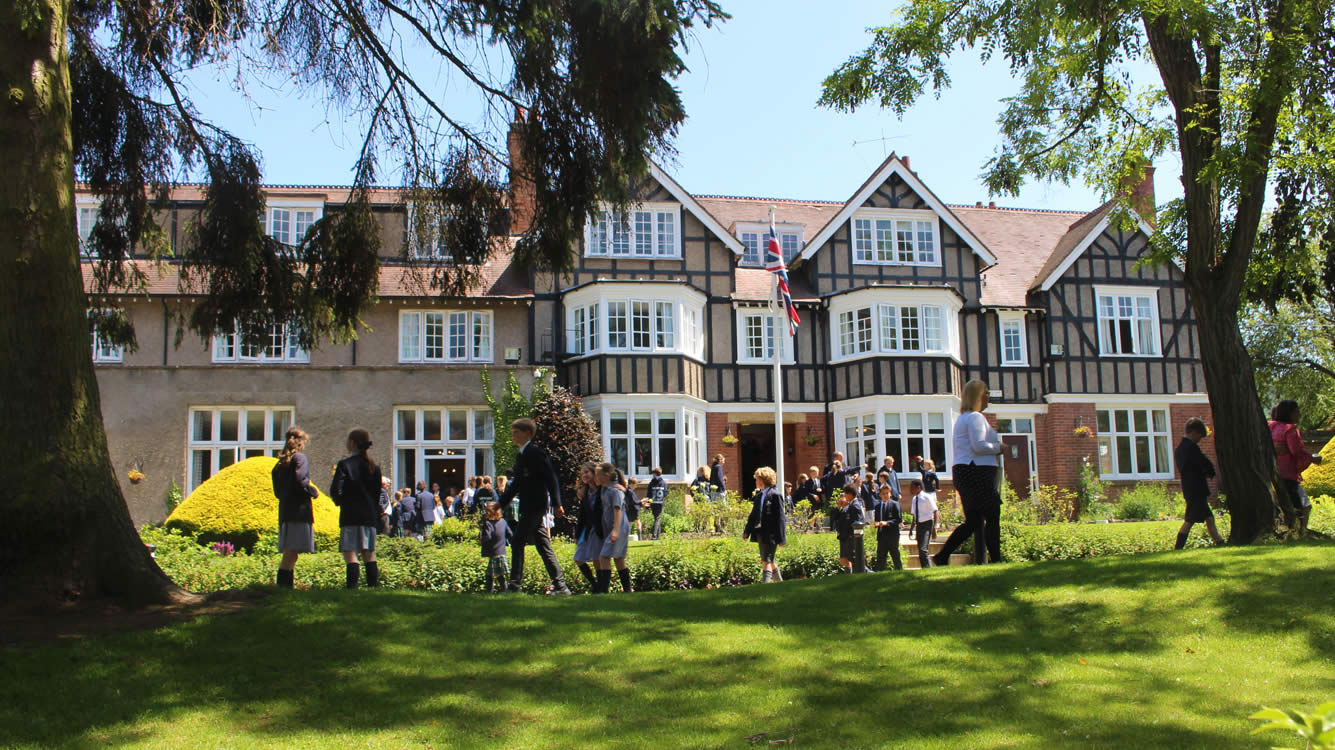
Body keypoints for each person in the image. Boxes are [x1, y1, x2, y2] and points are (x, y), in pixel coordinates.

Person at [934, 380, 1005, 565]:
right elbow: (979, 446)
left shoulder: (962, 418)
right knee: (992, 515)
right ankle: (996, 560)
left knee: (973, 521)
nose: (988, 397)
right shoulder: (976, 417)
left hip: (964, 471)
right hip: (977, 472)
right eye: (986, 393)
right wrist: (999, 447)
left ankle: (943, 555)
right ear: (978, 396)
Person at [499, 418, 572, 594]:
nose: (513, 435)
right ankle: (561, 586)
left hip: (536, 505)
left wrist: (556, 503)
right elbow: (517, 483)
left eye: (517, 432)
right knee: (543, 545)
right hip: (530, 505)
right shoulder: (522, 455)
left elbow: (550, 477)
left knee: (517, 541)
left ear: (528, 433)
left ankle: (515, 585)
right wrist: (500, 504)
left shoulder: (536, 453)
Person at [330, 428, 384, 588]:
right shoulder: (374, 467)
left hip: (350, 514)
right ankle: (373, 586)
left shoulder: (344, 464)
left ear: (352, 443)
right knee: (369, 553)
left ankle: (352, 587)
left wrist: (341, 502)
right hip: (369, 515)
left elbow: (336, 490)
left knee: (350, 551)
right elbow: (377, 493)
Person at [271, 425, 318, 588]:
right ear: (300, 442)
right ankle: (284, 588)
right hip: (299, 511)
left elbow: (277, 491)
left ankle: (285, 588)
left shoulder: (279, 465)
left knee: (290, 553)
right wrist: (312, 491)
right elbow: (301, 480)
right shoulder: (300, 459)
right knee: (291, 553)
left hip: (285, 511)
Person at [1270, 400, 1322, 534]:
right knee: (1304, 505)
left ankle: (1286, 530)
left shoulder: (1270, 426)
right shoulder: (1290, 429)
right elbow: (1296, 451)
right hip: (1288, 474)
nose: (1299, 414)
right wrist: (1312, 458)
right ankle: (1301, 532)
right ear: (1290, 413)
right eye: (1297, 411)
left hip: (1272, 472)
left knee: (1281, 505)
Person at [1176, 418, 1225, 548]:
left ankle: (1219, 541)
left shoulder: (1180, 449)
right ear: (1193, 432)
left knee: (1209, 518)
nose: (1199, 439)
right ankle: (1178, 546)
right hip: (1197, 488)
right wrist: (1210, 472)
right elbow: (1203, 462)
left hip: (1189, 488)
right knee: (1190, 520)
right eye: (1199, 436)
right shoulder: (1191, 447)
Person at [743, 467, 787, 583]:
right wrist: (747, 531)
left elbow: (781, 518)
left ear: (764, 480)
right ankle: (780, 583)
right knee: (767, 560)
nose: (756, 482)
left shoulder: (775, 495)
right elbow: (753, 516)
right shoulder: (758, 497)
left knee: (766, 560)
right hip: (760, 533)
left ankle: (765, 585)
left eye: (758, 479)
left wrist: (782, 538)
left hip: (771, 534)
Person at [597, 464, 634, 593]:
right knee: (618, 559)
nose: (596, 477)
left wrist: (615, 530)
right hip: (613, 527)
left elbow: (617, 510)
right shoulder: (605, 489)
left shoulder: (615, 491)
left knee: (604, 556)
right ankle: (628, 589)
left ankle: (603, 590)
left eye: (598, 474)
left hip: (619, 527)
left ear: (606, 475)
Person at [571, 462, 603, 591]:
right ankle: (595, 584)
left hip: (599, 528)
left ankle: (601, 586)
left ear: (594, 473)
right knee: (578, 558)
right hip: (587, 528)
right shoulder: (585, 493)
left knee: (597, 558)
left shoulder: (602, 490)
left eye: (587, 472)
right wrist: (577, 534)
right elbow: (582, 515)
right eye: (582, 473)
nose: (584, 475)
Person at [869, 483, 904, 571]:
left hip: (892, 534)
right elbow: (877, 520)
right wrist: (875, 524)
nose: (885, 495)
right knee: (880, 556)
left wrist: (887, 523)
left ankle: (899, 571)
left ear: (890, 494)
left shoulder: (894, 504)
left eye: (887, 493)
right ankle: (880, 573)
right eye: (883, 493)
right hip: (881, 535)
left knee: (895, 554)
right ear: (880, 495)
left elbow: (898, 519)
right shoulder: (877, 506)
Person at [479, 501, 512, 593]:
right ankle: (498, 590)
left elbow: (487, 537)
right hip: (502, 551)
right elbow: (510, 534)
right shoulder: (503, 521)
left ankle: (499, 590)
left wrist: (481, 539)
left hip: (493, 552)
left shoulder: (488, 523)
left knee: (494, 575)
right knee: (495, 574)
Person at [832, 485, 865, 574]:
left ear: (850, 494)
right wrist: (839, 507)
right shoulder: (849, 506)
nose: (844, 496)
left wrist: (851, 535)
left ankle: (859, 573)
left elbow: (858, 522)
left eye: (845, 493)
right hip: (844, 537)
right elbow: (835, 517)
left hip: (850, 537)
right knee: (846, 559)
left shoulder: (855, 505)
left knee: (853, 559)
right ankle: (850, 575)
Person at [908, 479, 938, 567]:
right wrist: (911, 529)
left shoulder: (926, 497)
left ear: (918, 487)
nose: (910, 489)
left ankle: (928, 568)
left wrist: (935, 527)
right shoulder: (914, 499)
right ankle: (924, 568)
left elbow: (935, 511)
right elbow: (914, 515)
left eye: (912, 487)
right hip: (919, 525)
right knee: (920, 548)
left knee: (923, 548)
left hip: (927, 524)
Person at [647, 467, 668, 540]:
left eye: (653, 473)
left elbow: (649, 493)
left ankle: (655, 535)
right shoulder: (663, 483)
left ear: (655, 474)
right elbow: (665, 493)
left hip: (653, 503)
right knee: (657, 518)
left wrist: (648, 503)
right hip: (660, 502)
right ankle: (657, 536)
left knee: (657, 518)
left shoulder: (652, 483)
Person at [624, 476, 643, 540]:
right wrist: (641, 502)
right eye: (635, 485)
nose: (636, 486)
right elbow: (634, 501)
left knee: (630, 523)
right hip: (634, 510)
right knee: (638, 523)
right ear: (632, 484)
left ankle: (627, 537)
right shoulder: (630, 491)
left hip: (629, 509)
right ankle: (640, 538)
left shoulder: (627, 490)